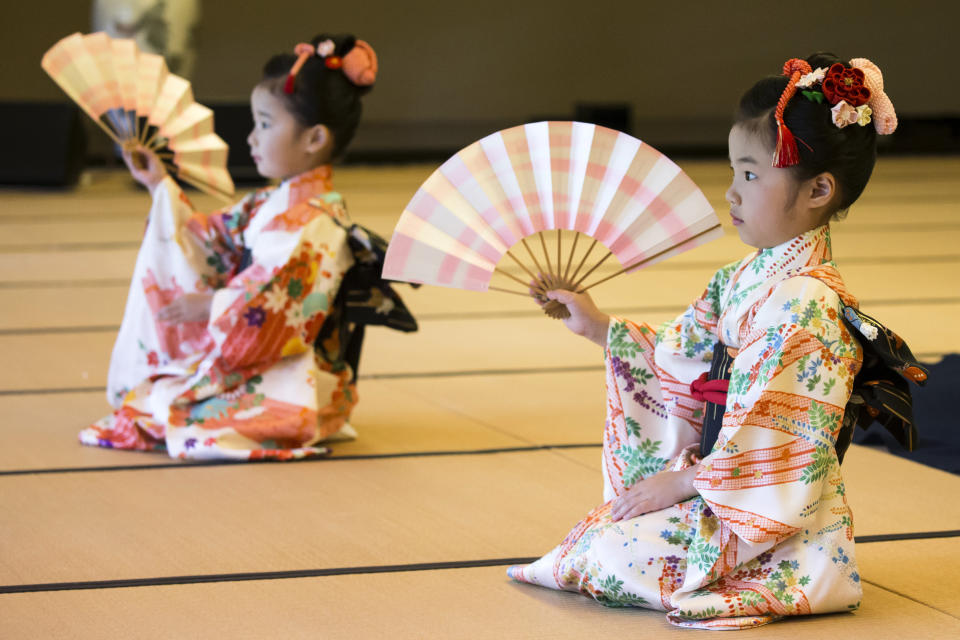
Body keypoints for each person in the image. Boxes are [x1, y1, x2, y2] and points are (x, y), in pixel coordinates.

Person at [508, 54, 920, 628]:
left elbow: (775, 442)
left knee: (608, 553)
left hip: (773, 518)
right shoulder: (742, 278)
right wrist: (599, 326)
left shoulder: (807, 305)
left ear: (819, 189)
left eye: (750, 175)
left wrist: (679, 483)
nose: (731, 193)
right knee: (599, 539)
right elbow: (683, 357)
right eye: (733, 172)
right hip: (722, 484)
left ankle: (805, 577)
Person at [80, 33, 414, 461]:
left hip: (300, 377)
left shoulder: (315, 223)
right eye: (256, 124)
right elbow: (210, 238)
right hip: (268, 363)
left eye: (266, 124)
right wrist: (159, 183)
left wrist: (214, 305)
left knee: (171, 415)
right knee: (152, 402)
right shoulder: (270, 204)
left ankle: (293, 415)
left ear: (314, 139)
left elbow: (278, 307)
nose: (252, 138)